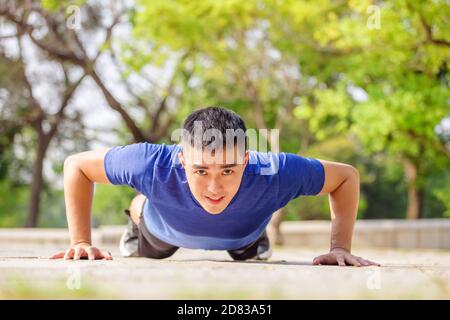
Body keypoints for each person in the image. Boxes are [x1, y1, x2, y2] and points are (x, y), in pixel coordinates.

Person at [51, 106, 379, 267]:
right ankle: (139, 209)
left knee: (248, 252)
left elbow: (346, 177)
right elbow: (77, 166)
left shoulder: (274, 170)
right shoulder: (150, 163)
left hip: (244, 234)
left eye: (227, 170)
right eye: (200, 170)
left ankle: (255, 236)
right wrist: (81, 241)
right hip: (163, 231)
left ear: (247, 159)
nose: (213, 187)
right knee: (150, 238)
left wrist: (340, 248)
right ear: (181, 159)